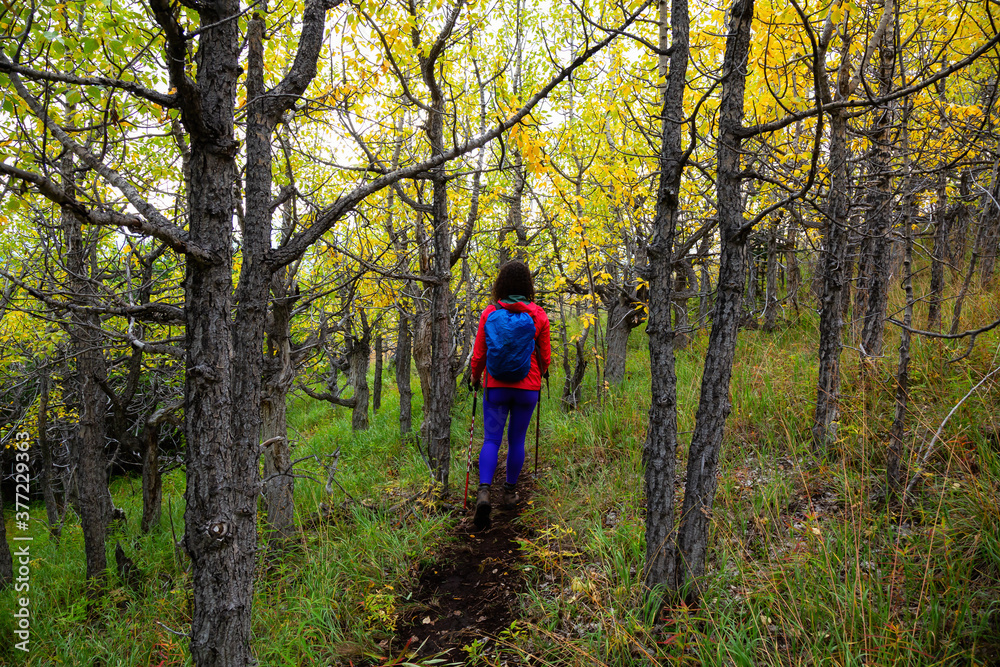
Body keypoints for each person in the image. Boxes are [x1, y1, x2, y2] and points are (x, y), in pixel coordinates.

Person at [469, 260, 550, 530]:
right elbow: (545, 355)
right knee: (517, 440)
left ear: (500, 284)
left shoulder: (489, 312)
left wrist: (474, 376)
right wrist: (542, 373)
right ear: (528, 285)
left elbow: (480, 353)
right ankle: (510, 492)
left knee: (491, 439)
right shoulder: (538, 314)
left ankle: (483, 492)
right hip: (527, 389)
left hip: (497, 387)